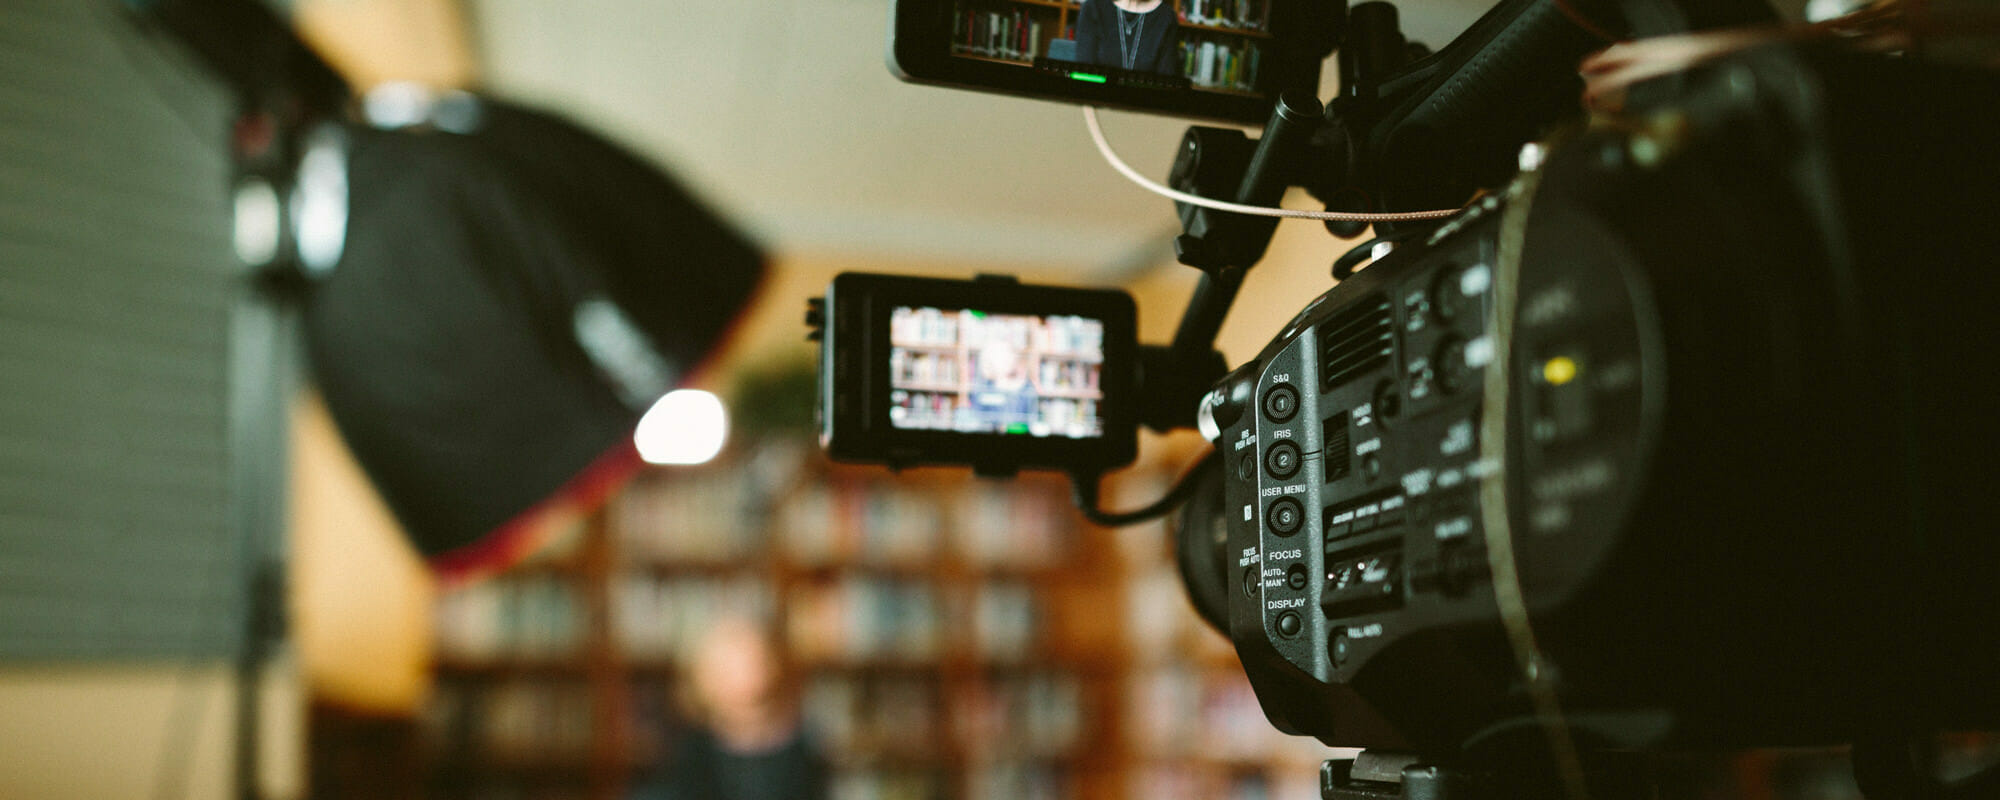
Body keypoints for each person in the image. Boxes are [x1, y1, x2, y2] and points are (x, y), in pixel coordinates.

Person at [631, 616, 829, 800]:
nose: (745, 676)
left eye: (750, 663)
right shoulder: (690, 747)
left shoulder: (800, 739)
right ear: (705, 679)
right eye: (730, 669)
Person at [1072, 0, 1182, 75]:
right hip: (1095, 102)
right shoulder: (1093, 7)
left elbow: (1166, 82)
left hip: (1144, 105)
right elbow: (1083, 75)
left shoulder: (1167, 17)